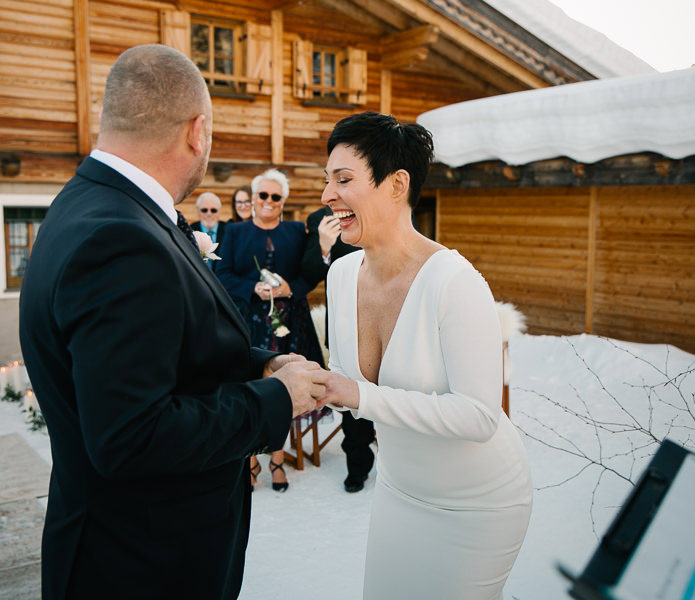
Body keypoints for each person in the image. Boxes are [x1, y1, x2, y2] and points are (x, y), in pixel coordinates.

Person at [18, 44, 327, 600]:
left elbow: (164, 348)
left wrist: (259, 365)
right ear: (198, 132)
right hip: (141, 562)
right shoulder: (122, 239)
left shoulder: (88, 204)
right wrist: (276, 399)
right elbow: (132, 437)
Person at [317, 112, 532, 599]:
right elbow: (348, 384)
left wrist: (360, 395)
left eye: (343, 180)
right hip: (399, 489)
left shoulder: (454, 282)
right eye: (327, 181)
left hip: (478, 504)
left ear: (396, 185)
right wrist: (312, 382)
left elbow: (479, 416)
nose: (328, 195)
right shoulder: (341, 275)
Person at [217, 169, 324, 492]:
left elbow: (312, 271)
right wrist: (254, 288)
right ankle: (250, 461)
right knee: (251, 386)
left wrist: (291, 289)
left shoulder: (296, 230)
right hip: (249, 321)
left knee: (284, 388)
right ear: (252, 199)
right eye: (262, 195)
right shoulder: (235, 232)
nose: (268, 201)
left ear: (283, 201)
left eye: (275, 196)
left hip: (290, 321)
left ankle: (277, 460)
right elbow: (222, 274)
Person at [301, 206, 375, 493]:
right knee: (353, 401)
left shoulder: (386, 207)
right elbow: (308, 274)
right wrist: (323, 244)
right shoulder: (320, 219)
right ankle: (357, 465)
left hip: (390, 321)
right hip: (345, 328)